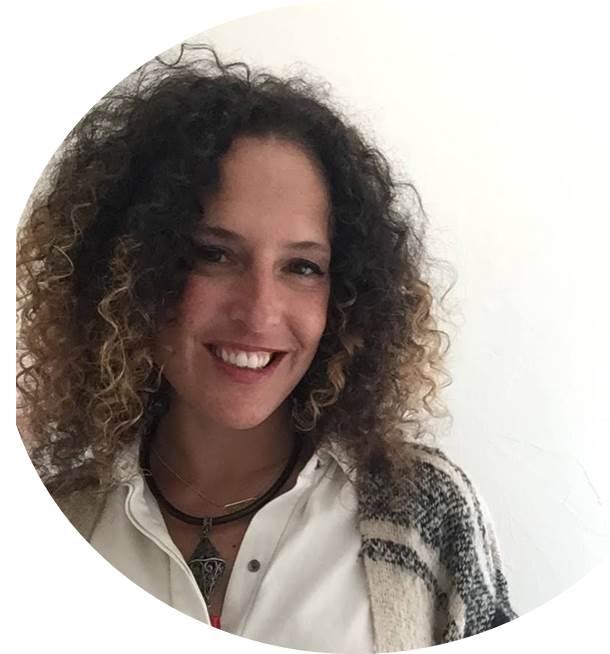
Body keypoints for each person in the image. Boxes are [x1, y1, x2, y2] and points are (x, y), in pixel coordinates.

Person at [16, 44, 516, 652]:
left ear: (347, 295)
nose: (258, 312)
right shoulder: (47, 525)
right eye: (213, 254)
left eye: (302, 267)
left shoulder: (428, 514)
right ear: (129, 272)